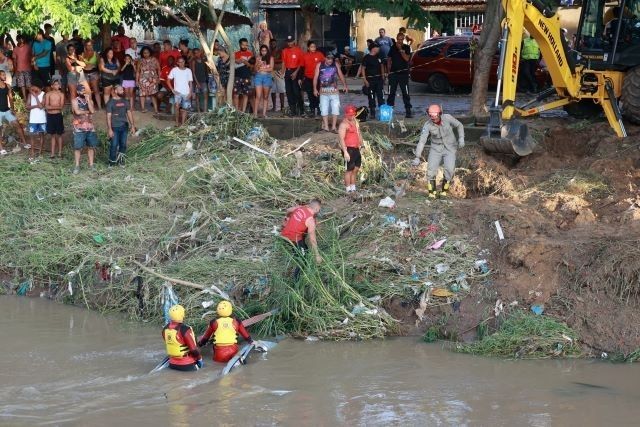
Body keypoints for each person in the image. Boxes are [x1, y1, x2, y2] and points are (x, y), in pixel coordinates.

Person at [412, 105, 465, 198]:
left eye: (435, 117)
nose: (434, 120)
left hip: (450, 148)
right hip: (436, 148)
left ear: (440, 114)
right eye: (432, 117)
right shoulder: (427, 125)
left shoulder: (448, 118)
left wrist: (461, 139)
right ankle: (432, 193)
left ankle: (444, 191)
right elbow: (422, 141)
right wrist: (417, 156)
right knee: (431, 170)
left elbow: (459, 125)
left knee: (449, 169)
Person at [280, 199, 322, 280]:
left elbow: (288, 210)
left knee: (304, 248)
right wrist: (317, 255)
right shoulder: (310, 221)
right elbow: (312, 239)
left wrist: (285, 218)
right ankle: (295, 281)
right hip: (293, 239)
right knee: (303, 259)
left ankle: (297, 252)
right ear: (317, 209)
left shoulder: (300, 208)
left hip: (284, 234)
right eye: (319, 209)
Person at [313, 53, 348, 132]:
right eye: (328, 59)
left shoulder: (335, 64)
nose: (330, 61)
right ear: (325, 58)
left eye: (331, 59)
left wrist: (345, 85)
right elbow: (315, 77)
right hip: (323, 91)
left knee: (335, 108)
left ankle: (333, 127)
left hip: (334, 90)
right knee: (324, 108)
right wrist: (315, 89)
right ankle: (326, 126)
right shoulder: (319, 65)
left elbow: (341, 75)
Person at [163, 304, 203, 371]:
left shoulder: (165, 329)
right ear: (182, 315)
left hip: (172, 364)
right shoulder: (185, 329)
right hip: (187, 365)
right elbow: (194, 350)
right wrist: (200, 359)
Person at [106, 84, 136, 166]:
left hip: (124, 126)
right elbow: (108, 116)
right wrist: (109, 129)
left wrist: (132, 125)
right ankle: (111, 162)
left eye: (122, 90)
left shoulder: (125, 101)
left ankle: (121, 161)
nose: (123, 91)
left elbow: (129, 113)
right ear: (115, 91)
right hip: (114, 127)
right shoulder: (110, 102)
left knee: (123, 144)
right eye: (121, 90)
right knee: (114, 145)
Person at [71, 84, 97, 173]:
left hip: (90, 128)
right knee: (78, 148)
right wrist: (87, 111)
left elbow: (93, 111)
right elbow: (77, 112)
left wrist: (88, 100)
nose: (84, 92)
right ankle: (77, 166)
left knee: (91, 147)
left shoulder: (90, 101)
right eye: (82, 91)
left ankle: (91, 164)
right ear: (78, 92)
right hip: (79, 128)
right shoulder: (74, 101)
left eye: (85, 90)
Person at [0, 70, 27, 155]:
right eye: (3, 75)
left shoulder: (7, 86)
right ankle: (1, 149)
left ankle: (24, 143)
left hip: (7, 110)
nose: (5, 76)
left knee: (17, 124)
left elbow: (11, 98)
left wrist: (13, 109)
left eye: (5, 75)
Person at [337, 105, 363, 193]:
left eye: (353, 115)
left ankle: (353, 187)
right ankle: (348, 189)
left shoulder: (355, 121)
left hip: (356, 148)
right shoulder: (343, 125)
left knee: (356, 168)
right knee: (349, 170)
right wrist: (345, 152)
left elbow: (359, 133)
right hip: (348, 149)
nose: (352, 116)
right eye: (350, 115)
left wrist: (362, 145)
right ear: (346, 114)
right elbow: (341, 139)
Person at [386, 33, 413, 118]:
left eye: (401, 39)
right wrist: (388, 71)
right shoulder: (392, 48)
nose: (400, 41)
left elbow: (407, 59)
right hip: (393, 74)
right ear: (396, 39)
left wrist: (400, 49)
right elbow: (389, 60)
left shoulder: (407, 47)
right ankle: (389, 112)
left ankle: (408, 111)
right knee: (391, 93)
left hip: (403, 74)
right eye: (398, 39)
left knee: (405, 93)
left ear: (404, 39)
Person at [359, 43, 385, 118]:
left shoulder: (379, 56)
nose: (379, 49)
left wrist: (383, 76)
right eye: (377, 48)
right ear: (373, 49)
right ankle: (372, 112)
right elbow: (363, 69)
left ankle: (383, 112)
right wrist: (365, 80)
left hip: (379, 80)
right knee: (371, 96)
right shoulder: (366, 57)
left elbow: (382, 66)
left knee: (381, 96)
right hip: (370, 81)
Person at [281, 35, 304, 116]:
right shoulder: (284, 51)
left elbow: (301, 63)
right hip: (287, 72)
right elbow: (283, 62)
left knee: (296, 92)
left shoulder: (298, 50)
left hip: (296, 72)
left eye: (291, 41)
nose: (289, 43)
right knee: (289, 92)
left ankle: (301, 110)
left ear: (294, 41)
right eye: (288, 42)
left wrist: (296, 73)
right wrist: (282, 72)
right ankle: (293, 111)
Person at [168, 56, 193, 126]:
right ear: (177, 63)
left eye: (183, 62)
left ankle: (182, 124)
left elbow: (190, 82)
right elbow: (168, 80)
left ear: (185, 62)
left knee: (185, 108)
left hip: (186, 92)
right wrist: (172, 90)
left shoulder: (188, 70)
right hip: (177, 92)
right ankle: (176, 122)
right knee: (177, 107)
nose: (181, 63)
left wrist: (190, 92)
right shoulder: (174, 70)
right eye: (180, 62)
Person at [302, 41, 325, 118]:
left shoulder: (319, 54)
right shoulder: (305, 56)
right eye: (311, 47)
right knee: (310, 94)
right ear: (308, 48)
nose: (313, 48)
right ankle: (312, 110)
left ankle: (319, 109)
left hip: (319, 78)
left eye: (314, 46)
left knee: (318, 94)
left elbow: (325, 63)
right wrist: (301, 78)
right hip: (308, 78)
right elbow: (302, 67)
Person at [44, 77, 65, 158]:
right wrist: (56, 107)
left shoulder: (61, 94)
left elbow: (61, 106)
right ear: (52, 86)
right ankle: (52, 154)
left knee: (59, 135)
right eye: (55, 84)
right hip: (50, 116)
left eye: (58, 84)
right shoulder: (48, 94)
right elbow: (46, 107)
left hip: (58, 115)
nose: (57, 86)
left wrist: (51, 107)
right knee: (52, 135)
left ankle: (59, 153)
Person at [137, 46, 160, 113]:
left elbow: (158, 69)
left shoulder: (154, 59)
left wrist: (159, 78)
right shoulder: (140, 60)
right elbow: (138, 71)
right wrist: (137, 80)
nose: (146, 54)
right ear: (142, 53)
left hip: (153, 80)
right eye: (144, 53)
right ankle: (143, 108)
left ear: (150, 52)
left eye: (147, 53)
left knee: (153, 94)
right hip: (142, 79)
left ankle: (156, 110)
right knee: (142, 94)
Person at [233, 38, 253, 113]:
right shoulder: (236, 53)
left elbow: (251, 66)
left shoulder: (250, 54)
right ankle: (236, 111)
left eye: (246, 45)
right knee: (236, 94)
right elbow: (237, 62)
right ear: (240, 45)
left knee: (245, 94)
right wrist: (245, 62)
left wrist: (243, 61)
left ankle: (243, 111)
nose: (245, 46)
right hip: (237, 76)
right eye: (243, 45)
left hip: (247, 76)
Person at [26, 82, 46, 159]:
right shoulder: (30, 95)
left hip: (41, 118)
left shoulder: (44, 94)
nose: (31, 88)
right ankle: (32, 152)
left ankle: (40, 152)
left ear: (37, 87)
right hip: (33, 118)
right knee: (32, 136)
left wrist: (35, 97)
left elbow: (41, 106)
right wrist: (36, 105)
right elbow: (27, 107)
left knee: (41, 135)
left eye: (32, 87)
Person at [254, 45, 274, 119]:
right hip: (258, 77)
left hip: (267, 77)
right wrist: (258, 63)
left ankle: (264, 114)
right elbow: (255, 70)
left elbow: (271, 69)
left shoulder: (271, 58)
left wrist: (262, 69)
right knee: (258, 96)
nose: (263, 52)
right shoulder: (258, 58)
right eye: (262, 50)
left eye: (265, 50)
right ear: (260, 51)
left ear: (267, 51)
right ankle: (255, 114)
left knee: (265, 97)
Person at [81, 41, 102, 109]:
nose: (89, 46)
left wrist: (94, 66)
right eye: (87, 45)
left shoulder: (96, 54)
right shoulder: (83, 54)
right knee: (87, 91)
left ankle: (99, 106)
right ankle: (90, 107)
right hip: (85, 73)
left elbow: (99, 64)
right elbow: (81, 64)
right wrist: (88, 65)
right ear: (85, 46)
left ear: (92, 45)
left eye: (90, 45)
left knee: (96, 90)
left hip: (94, 73)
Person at [12, 35, 32, 99]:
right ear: (17, 40)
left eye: (22, 39)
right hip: (19, 70)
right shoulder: (15, 49)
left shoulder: (28, 47)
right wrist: (15, 70)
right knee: (22, 85)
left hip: (28, 69)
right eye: (19, 39)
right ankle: (25, 98)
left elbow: (32, 57)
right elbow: (14, 61)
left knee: (29, 85)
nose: (21, 40)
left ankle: (31, 97)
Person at [269, 39, 285, 112]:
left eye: (274, 43)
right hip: (271, 71)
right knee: (273, 90)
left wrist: (272, 60)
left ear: (276, 44)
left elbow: (282, 60)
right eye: (271, 44)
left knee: (281, 90)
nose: (273, 45)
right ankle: (274, 107)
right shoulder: (269, 52)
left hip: (279, 71)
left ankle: (282, 107)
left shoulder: (280, 51)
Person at [190, 47, 209, 113]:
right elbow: (193, 73)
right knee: (197, 96)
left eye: (198, 52)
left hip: (204, 80)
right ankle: (198, 111)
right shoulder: (193, 61)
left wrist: (207, 79)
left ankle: (205, 110)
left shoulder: (204, 60)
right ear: (194, 54)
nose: (197, 54)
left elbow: (206, 70)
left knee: (205, 95)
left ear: (200, 52)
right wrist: (197, 82)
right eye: (195, 53)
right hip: (197, 81)